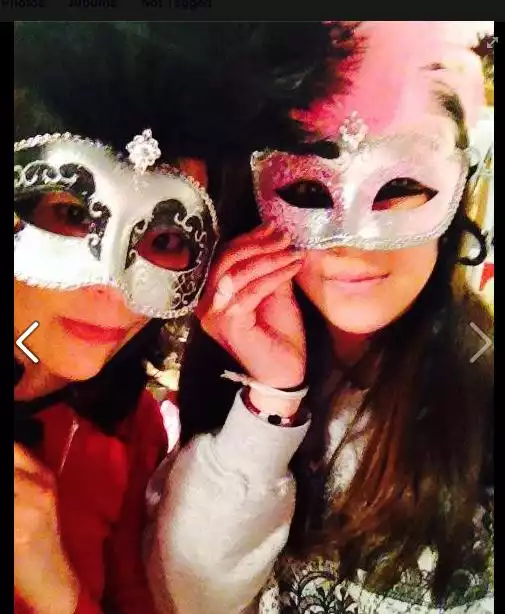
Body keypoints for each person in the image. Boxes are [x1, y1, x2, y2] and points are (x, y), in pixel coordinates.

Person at [147, 21, 494, 614]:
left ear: (458, 186)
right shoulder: (230, 374)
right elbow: (190, 601)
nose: (351, 244)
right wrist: (271, 400)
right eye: (307, 191)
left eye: (399, 185)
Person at [14, 21, 348, 614]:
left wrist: (56, 591)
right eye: (70, 214)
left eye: (166, 239)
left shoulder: (130, 431)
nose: (116, 294)